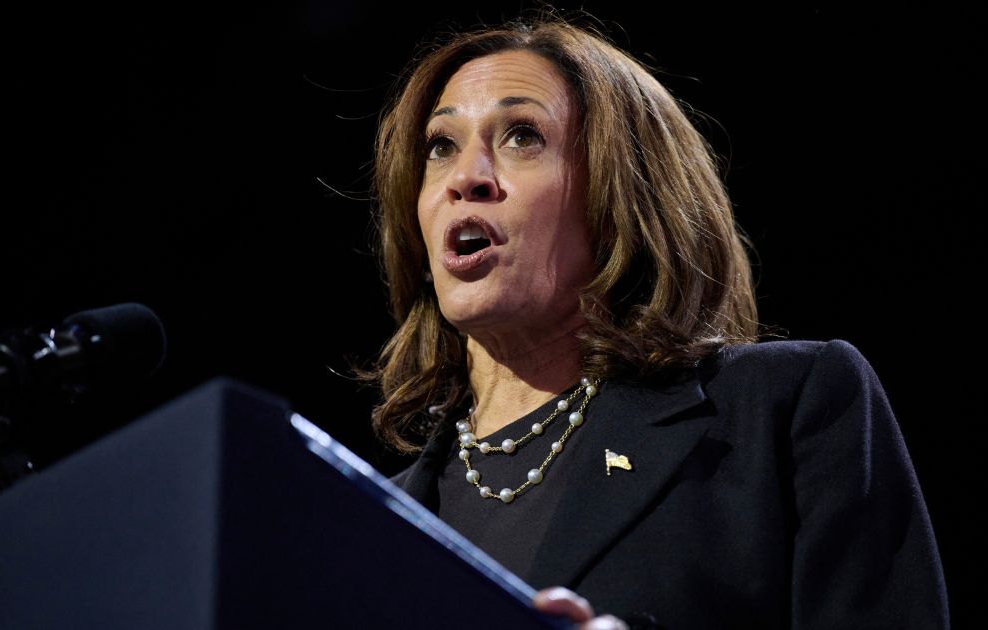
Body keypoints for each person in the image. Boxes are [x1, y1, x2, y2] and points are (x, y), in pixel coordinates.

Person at [361, 14, 949, 630]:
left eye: (522, 137)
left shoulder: (783, 411)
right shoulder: (369, 525)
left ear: (620, 198)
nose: (466, 178)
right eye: (440, 146)